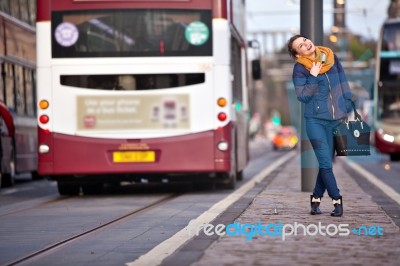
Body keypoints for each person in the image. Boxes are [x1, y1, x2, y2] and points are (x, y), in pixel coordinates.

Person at [287, 35, 356, 217]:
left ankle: (316, 199)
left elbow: (343, 82)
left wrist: (348, 104)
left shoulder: (330, 57)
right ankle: (337, 200)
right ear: (297, 54)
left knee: (326, 163)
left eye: (305, 40)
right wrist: (313, 76)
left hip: (336, 120)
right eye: (301, 45)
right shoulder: (300, 69)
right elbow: (303, 96)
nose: (306, 44)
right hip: (315, 121)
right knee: (325, 163)